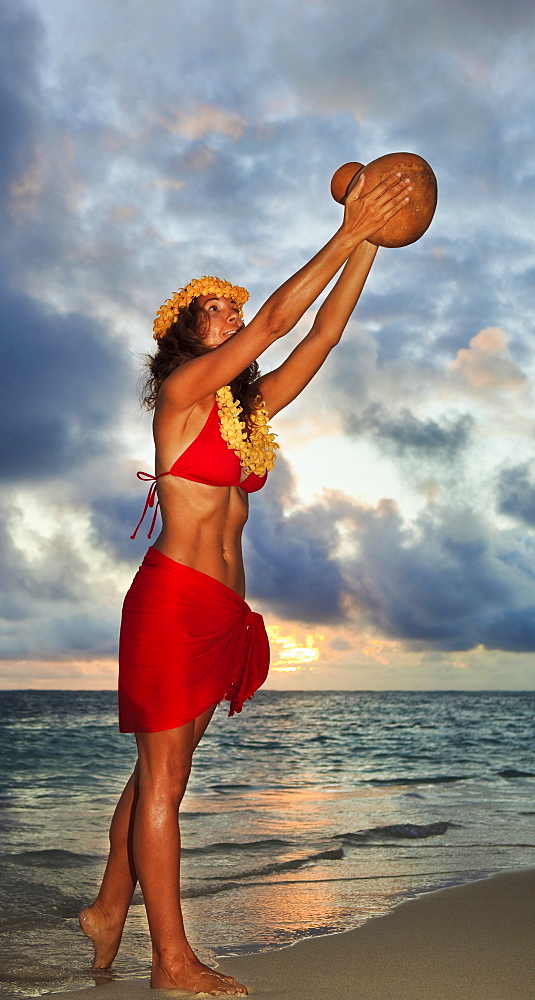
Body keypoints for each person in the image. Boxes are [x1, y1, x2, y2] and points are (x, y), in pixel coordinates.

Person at [80, 171, 412, 995]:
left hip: (222, 612)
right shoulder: (182, 396)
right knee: (166, 779)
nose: (234, 311)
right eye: (215, 309)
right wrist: (345, 227)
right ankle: (169, 963)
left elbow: (318, 339)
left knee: (161, 766)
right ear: (186, 336)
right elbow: (275, 321)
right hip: (170, 604)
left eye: (232, 305)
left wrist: (367, 242)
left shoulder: (245, 415)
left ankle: (106, 905)